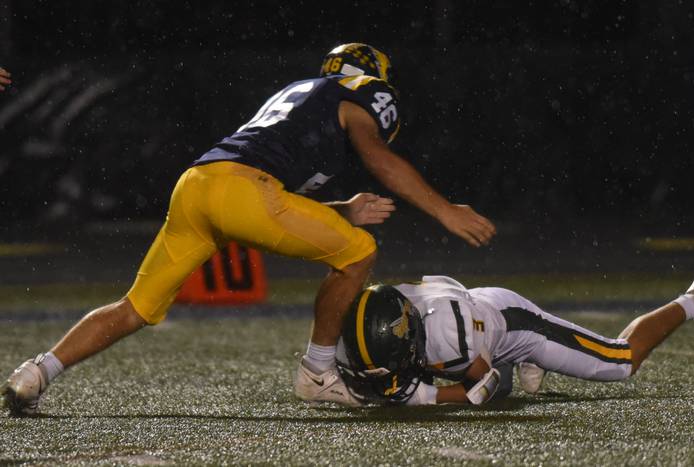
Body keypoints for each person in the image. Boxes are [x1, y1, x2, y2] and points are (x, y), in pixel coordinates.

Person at [3, 43, 496, 416]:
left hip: (198, 184)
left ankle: (37, 371)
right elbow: (377, 157)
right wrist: (444, 209)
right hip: (243, 191)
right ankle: (318, 373)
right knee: (358, 253)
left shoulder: (299, 94)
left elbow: (266, 186)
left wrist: (339, 209)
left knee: (135, 307)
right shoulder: (359, 92)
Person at [334, 275, 694, 406]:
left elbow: (482, 388)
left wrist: (423, 397)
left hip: (513, 325)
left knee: (618, 361)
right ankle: (522, 360)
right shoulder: (378, 306)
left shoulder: (449, 340)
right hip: (475, 311)